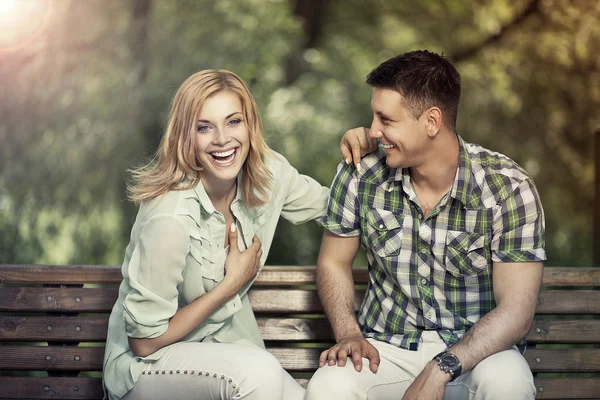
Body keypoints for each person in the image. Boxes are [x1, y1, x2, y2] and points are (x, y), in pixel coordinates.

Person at [102, 69, 368, 400]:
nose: (222, 139)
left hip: (223, 353)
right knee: (260, 374)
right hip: (148, 369)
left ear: (250, 125)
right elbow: (144, 342)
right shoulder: (169, 217)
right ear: (186, 136)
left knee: (308, 396)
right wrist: (231, 283)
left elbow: (342, 210)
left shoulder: (269, 174)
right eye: (204, 127)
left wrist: (372, 147)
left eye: (233, 121)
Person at [306, 50, 546, 400]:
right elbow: (333, 261)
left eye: (386, 119)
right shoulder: (361, 173)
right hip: (386, 349)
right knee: (330, 384)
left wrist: (442, 366)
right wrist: (348, 334)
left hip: (477, 352)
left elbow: (516, 312)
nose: (372, 131)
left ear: (432, 122)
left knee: (507, 382)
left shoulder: (508, 187)